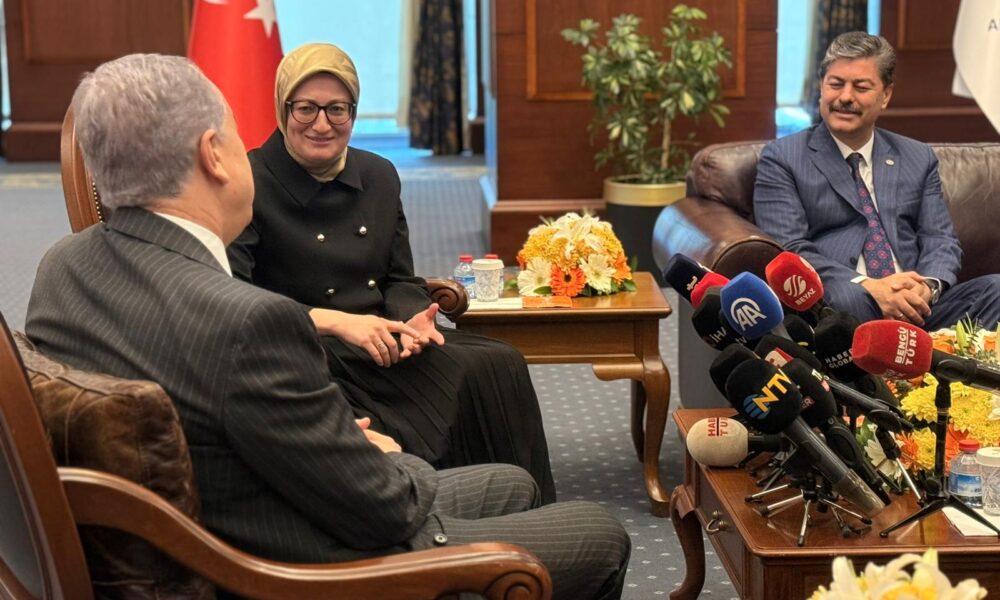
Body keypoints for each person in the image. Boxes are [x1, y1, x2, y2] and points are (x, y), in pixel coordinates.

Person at [25, 54, 629, 600]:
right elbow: (387, 509)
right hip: (306, 566)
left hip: (210, 526)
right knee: (600, 532)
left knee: (514, 483)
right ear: (213, 154)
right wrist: (381, 452)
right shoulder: (250, 322)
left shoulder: (62, 267)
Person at [226, 43, 557, 502]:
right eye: (306, 108)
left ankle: (517, 510)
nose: (321, 124)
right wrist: (339, 322)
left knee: (498, 364)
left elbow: (399, 278)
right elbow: (235, 299)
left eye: (337, 109)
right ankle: (436, 511)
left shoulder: (378, 174)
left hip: (384, 339)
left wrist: (414, 317)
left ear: (354, 112)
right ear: (283, 109)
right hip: (302, 346)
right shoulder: (248, 181)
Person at [754, 31, 1000, 330]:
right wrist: (869, 285)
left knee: (995, 290)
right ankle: (909, 351)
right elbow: (789, 248)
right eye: (836, 84)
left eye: (861, 87)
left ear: (885, 95)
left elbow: (939, 238)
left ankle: (930, 352)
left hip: (919, 305)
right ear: (822, 87)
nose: (845, 97)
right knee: (850, 300)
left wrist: (927, 287)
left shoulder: (917, 157)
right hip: (845, 297)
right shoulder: (784, 157)